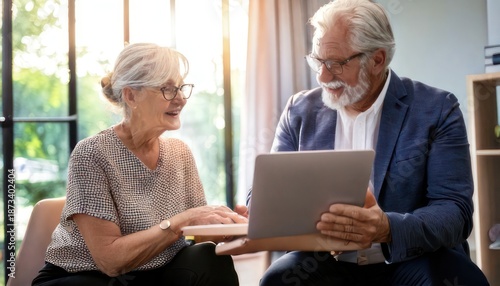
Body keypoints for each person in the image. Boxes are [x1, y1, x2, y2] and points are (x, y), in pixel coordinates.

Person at [255, 0, 490, 285]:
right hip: (326, 262)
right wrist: (256, 210)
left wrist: (387, 229)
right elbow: (266, 194)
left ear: (378, 59)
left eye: (336, 64)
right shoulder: (299, 111)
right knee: (277, 279)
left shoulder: (438, 109)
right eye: (318, 60)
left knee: (458, 278)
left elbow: (455, 212)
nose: (323, 76)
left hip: (411, 259)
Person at [32, 43, 247, 286]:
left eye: (180, 88)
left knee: (208, 258)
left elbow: (197, 233)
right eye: (167, 89)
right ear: (131, 95)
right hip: (87, 277)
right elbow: (110, 261)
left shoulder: (180, 152)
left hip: (153, 272)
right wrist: (180, 222)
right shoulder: (92, 153)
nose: (180, 99)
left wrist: (232, 229)